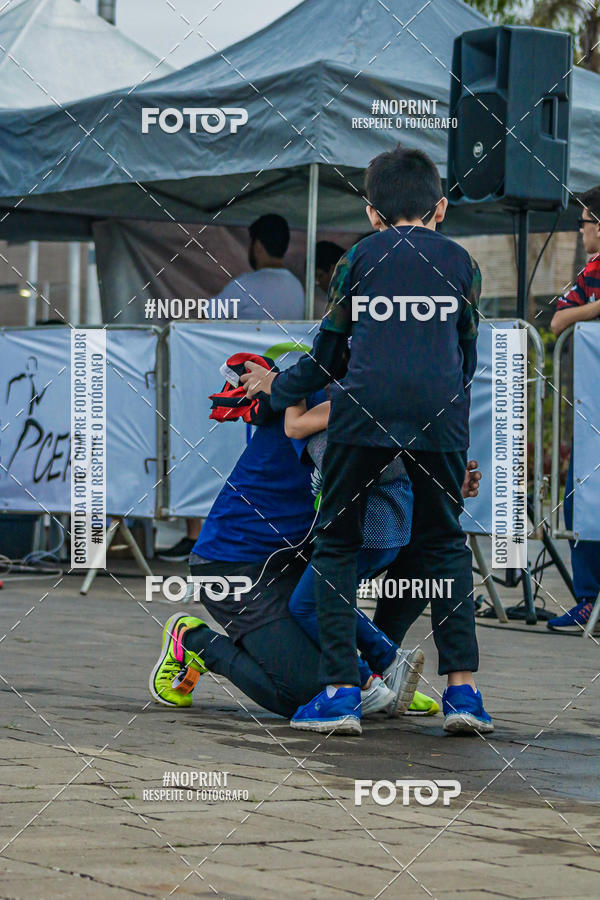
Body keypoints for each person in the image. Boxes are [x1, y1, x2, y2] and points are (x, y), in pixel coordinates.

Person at [242, 145, 493, 735]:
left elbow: (327, 359)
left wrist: (276, 388)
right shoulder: (463, 265)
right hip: (439, 418)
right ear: (442, 207)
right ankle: (465, 695)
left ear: (372, 214)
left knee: (335, 547)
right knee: (446, 548)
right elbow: (466, 359)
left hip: (362, 415)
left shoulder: (358, 261)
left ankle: (339, 695)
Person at [149, 373, 424, 720]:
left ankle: (379, 673)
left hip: (291, 564)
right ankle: (195, 643)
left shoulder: (364, 396)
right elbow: (368, 466)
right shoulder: (309, 394)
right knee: (305, 695)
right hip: (232, 565)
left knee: (336, 678)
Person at [158, 213, 305, 562]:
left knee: (203, 449)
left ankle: (196, 534)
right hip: (285, 390)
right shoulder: (296, 287)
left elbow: (202, 322)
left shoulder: (246, 286)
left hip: (243, 390)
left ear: (255, 244)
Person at [548, 186, 600, 632]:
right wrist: (597, 308)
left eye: (584, 222)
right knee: (577, 499)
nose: (581, 230)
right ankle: (587, 599)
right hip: (590, 411)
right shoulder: (591, 272)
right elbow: (558, 319)